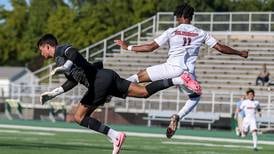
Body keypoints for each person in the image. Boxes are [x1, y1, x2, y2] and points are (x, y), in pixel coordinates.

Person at [114, 3, 248, 138]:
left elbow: (150, 47)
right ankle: (178, 116)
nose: (176, 19)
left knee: (139, 76)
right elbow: (221, 48)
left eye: (177, 17)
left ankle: (113, 89)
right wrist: (239, 53)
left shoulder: (172, 31)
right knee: (195, 97)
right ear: (190, 17)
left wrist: (128, 47)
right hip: (188, 73)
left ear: (181, 16)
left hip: (171, 68)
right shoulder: (201, 33)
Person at [37, 34, 179, 154]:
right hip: (107, 76)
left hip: (99, 83)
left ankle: (115, 136)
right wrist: (53, 94)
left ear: (47, 46)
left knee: (79, 117)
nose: (41, 54)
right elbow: (72, 81)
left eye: (41, 50)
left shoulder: (61, 50)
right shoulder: (59, 60)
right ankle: (176, 79)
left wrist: (66, 66)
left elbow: (73, 52)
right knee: (144, 92)